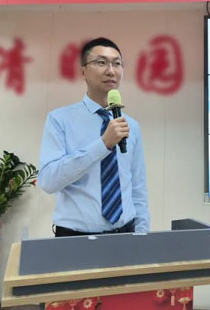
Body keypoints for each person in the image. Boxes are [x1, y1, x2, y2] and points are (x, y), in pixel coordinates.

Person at [38, 37, 150, 236]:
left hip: (126, 235)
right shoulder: (60, 120)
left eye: (117, 64)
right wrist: (103, 144)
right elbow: (48, 181)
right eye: (101, 62)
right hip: (75, 238)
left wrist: (143, 234)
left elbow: (137, 188)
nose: (111, 71)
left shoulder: (130, 126)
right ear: (83, 72)